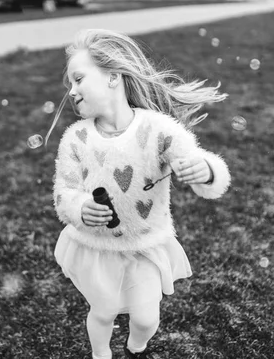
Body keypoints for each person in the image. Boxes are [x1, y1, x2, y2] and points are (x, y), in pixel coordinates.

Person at [47, 29, 231, 359]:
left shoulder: (157, 129)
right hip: (98, 247)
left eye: (78, 79)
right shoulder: (76, 139)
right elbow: (65, 190)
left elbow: (194, 159)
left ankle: (137, 346)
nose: (71, 92)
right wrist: (80, 207)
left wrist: (207, 171)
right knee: (103, 312)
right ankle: (100, 354)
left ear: (113, 76)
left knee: (146, 318)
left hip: (145, 244)